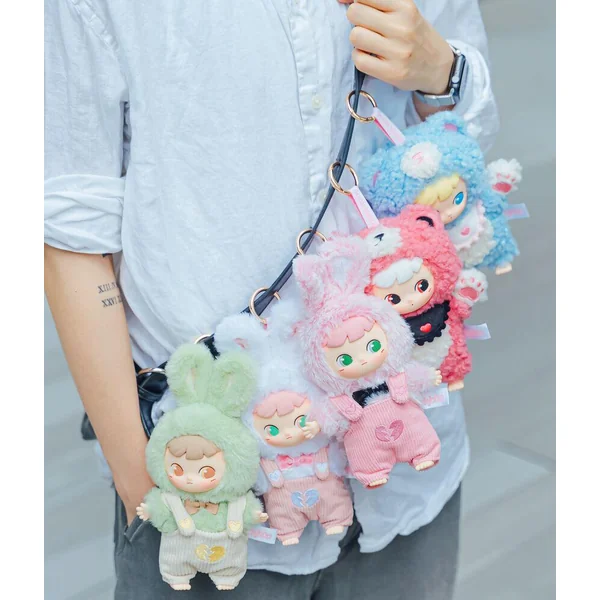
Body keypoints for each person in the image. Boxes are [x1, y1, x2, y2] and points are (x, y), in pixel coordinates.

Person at [44, 1, 499, 598]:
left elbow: (464, 145)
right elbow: (70, 229)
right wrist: (140, 483)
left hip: (410, 453)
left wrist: (442, 72)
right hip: (211, 495)